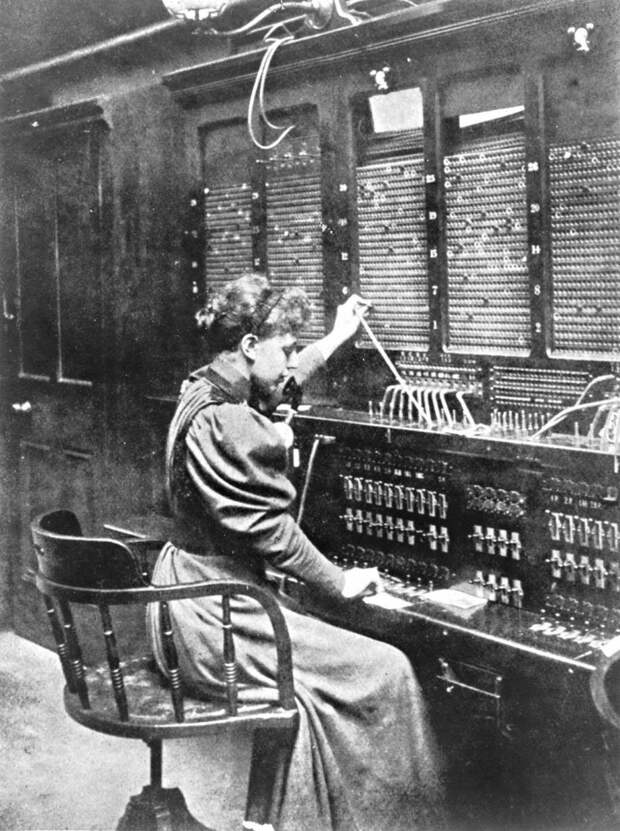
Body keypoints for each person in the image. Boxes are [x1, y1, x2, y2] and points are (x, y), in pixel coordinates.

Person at [148, 273, 445, 831]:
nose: (290, 361)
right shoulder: (225, 420)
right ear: (249, 345)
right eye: (284, 347)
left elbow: (278, 384)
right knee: (387, 669)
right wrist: (340, 581)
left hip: (189, 593)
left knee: (334, 663)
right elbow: (271, 532)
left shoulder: (206, 388)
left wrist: (334, 338)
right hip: (213, 615)